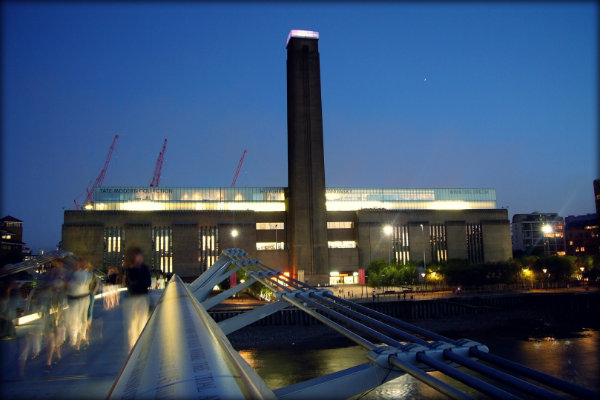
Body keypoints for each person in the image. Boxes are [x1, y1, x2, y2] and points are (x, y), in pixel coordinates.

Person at [122, 247, 151, 351]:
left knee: (142, 322)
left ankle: (141, 347)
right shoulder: (130, 269)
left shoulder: (144, 268)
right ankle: (133, 348)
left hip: (142, 297)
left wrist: (137, 282)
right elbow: (129, 282)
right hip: (133, 299)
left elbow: (148, 282)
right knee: (133, 324)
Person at [65, 257, 92, 352]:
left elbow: (79, 283)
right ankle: (78, 336)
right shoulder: (85, 274)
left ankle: (75, 338)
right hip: (80, 298)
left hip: (80, 298)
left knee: (78, 318)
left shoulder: (81, 274)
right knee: (79, 318)